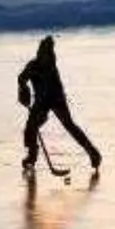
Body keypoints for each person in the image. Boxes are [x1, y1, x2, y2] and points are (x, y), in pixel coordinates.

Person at [17, 35, 101, 172]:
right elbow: (21, 78)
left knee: (70, 126)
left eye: (49, 54)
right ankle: (32, 156)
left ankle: (93, 153)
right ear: (39, 53)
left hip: (57, 100)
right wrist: (23, 91)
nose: (47, 57)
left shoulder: (50, 65)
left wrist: (25, 90)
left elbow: (25, 79)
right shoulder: (33, 65)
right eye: (44, 53)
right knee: (30, 128)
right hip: (42, 102)